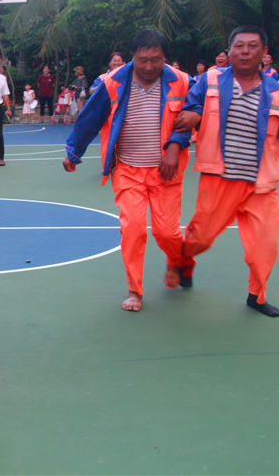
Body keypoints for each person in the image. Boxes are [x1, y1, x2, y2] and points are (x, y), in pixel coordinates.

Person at [174, 25, 279, 318]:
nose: (245, 51)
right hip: (219, 181)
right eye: (239, 46)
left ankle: (257, 296)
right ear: (229, 52)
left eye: (252, 46)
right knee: (199, 239)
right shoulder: (210, 80)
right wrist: (189, 120)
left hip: (261, 186)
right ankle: (183, 263)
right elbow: (190, 109)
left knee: (264, 248)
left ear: (264, 53)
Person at [63, 29, 193, 312]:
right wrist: (74, 151)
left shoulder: (183, 82)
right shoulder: (113, 82)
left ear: (165, 57)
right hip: (127, 170)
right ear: (133, 56)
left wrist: (176, 146)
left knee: (167, 233)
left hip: (166, 170)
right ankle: (135, 289)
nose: (149, 66)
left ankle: (180, 261)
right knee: (132, 229)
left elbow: (194, 114)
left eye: (156, 60)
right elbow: (90, 117)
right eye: (143, 60)